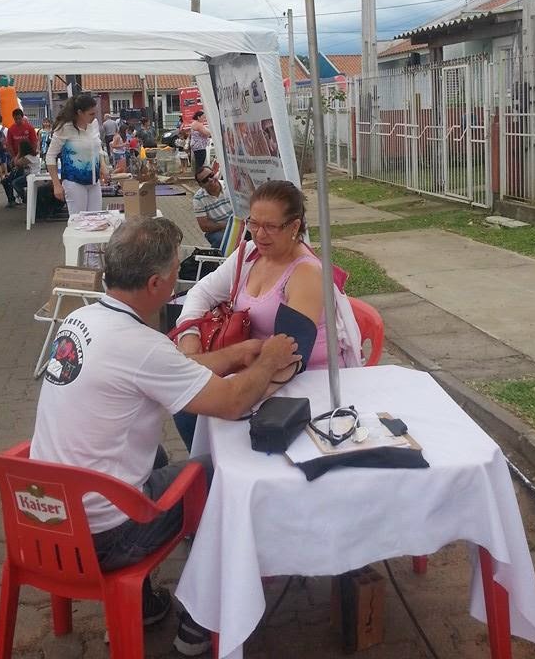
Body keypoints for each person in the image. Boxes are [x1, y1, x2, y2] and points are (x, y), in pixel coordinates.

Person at [30, 216, 298, 656]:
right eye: (176, 269)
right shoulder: (140, 345)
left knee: (154, 456)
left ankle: (143, 605)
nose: (178, 277)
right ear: (156, 284)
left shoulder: (82, 318)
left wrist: (234, 354)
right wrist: (268, 360)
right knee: (220, 476)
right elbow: (232, 402)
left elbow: (171, 369)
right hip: (102, 539)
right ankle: (200, 621)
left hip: (42, 517)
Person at [174, 180, 362, 450]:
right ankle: (209, 467)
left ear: (294, 227)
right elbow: (200, 293)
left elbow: (291, 355)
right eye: (253, 224)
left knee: (195, 409)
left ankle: (211, 468)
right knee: (185, 403)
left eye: (271, 227)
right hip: (256, 365)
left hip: (304, 381)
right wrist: (189, 339)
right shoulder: (249, 254)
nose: (259, 234)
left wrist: (233, 395)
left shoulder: (306, 274)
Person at [45, 93, 109, 215]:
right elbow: (50, 156)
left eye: (95, 113)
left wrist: (103, 165)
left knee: (96, 219)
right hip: (73, 181)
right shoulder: (64, 128)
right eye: (91, 114)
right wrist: (56, 184)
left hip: (94, 181)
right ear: (80, 113)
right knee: (78, 220)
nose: (94, 116)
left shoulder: (94, 124)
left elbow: (97, 147)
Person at [192, 166, 233, 250]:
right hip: (217, 230)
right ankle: (217, 258)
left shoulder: (230, 185)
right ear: (201, 185)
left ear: (215, 173)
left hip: (237, 224)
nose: (210, 180)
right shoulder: (198, 199)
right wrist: (226, 225)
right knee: (221, 240)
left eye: (211, 175)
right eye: (205, 180)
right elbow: (204, 226)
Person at [2, 139, 41, 206]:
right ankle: (14, 199)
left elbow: (16, 162)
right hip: (30, 175)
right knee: (9, 180)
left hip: (32, 176)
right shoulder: (31, 156)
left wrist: (19, 153)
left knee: (15, 183)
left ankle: (25, 198)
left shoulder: (29, 157)